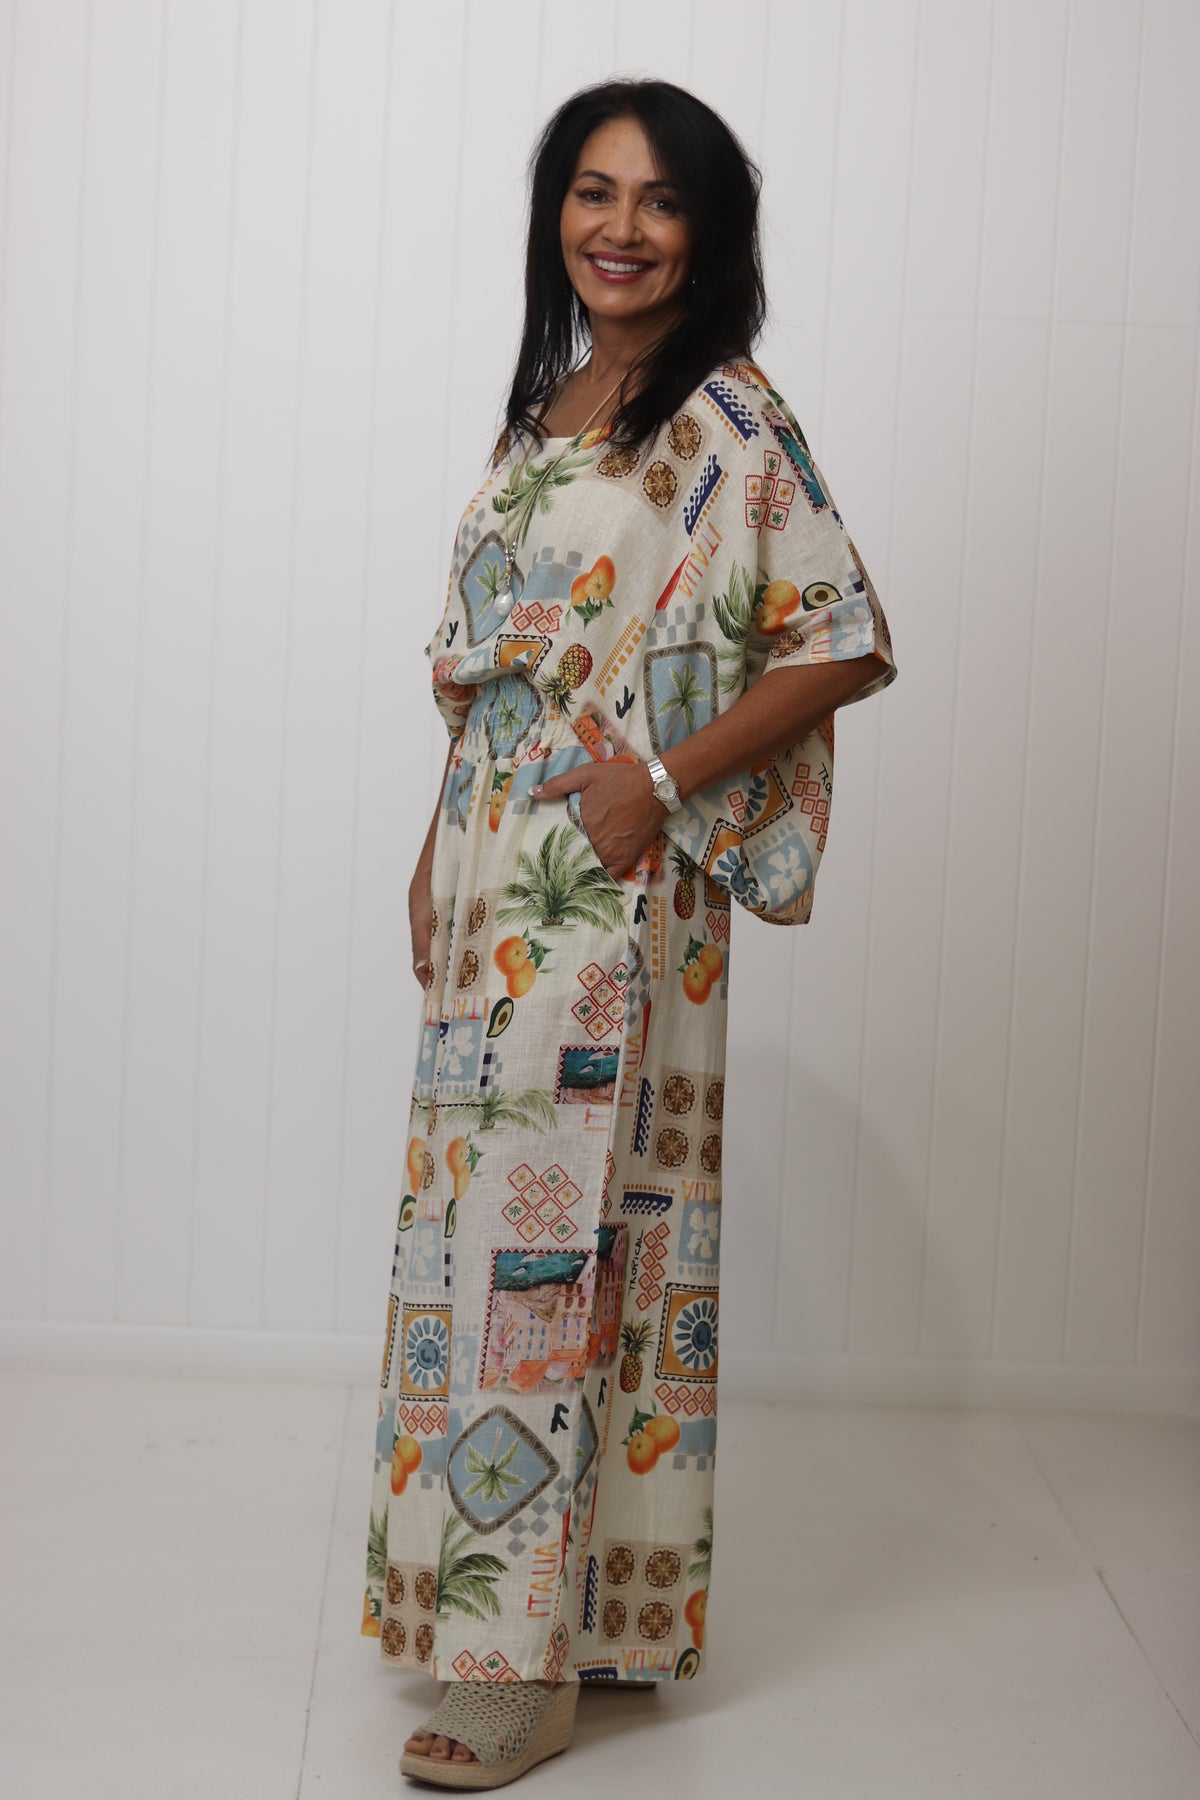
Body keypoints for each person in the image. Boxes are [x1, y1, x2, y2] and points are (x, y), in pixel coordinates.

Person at [361, 76, 898, 1788]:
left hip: (609, 897)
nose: (619, 227)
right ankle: (578, 1613)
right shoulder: (552, 407)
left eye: (659, 200)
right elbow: (496, 670)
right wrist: (436, 845)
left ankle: (519, 1670)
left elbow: (842, 633)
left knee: (560, 1249)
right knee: (490, 1246)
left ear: (708, 230)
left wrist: (656, 780)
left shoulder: (726, 415)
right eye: (592, 192)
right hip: (497, 889)